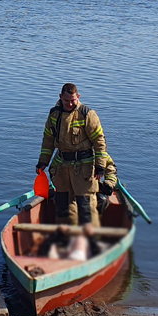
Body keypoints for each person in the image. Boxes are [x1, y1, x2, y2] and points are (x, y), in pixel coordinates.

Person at [36, 83, 110, 227]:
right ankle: (65, 239)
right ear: (60, 98)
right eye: (66, 100)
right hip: (62, 168)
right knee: (63, 205)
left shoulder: (87, 114)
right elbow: (48, 140)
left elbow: (99, 141)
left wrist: (100, 166)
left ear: (78, 97)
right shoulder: (54, 114)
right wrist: (43, 161)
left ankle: (91, 242)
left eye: (73, 100)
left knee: (86, 206)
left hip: (84, 168)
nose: (70, 104)